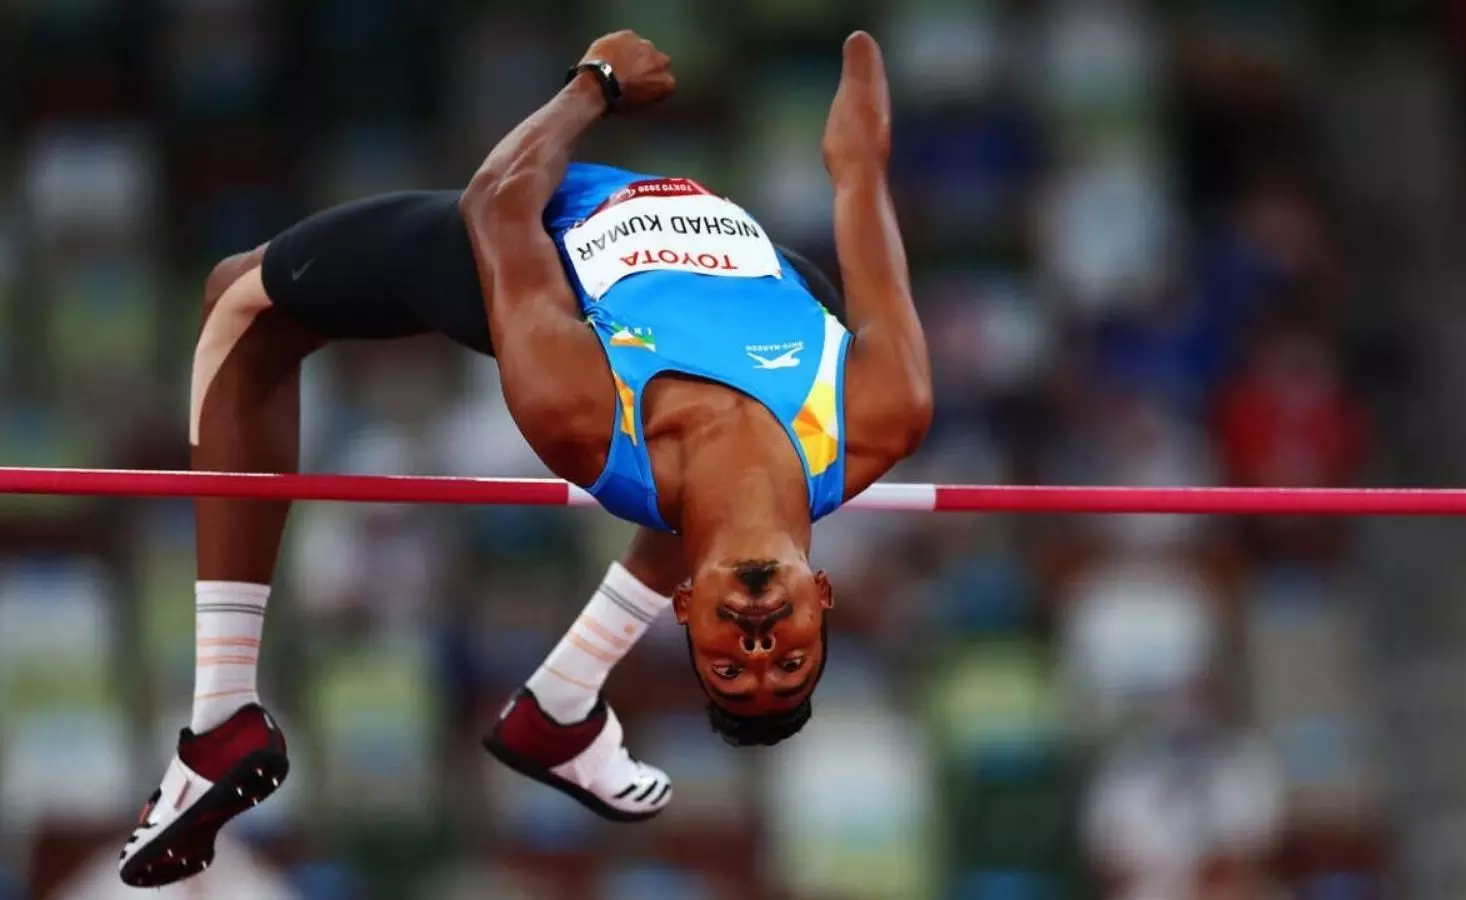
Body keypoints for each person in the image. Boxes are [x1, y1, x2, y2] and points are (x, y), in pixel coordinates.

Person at [119, 28, 930, 889]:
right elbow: (860, 179)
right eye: (788, 661)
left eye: (729, 665)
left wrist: (595, 84)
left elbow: (497, 204)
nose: (757, 644)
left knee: (238, 303)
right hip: (767, 277)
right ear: (821, 597)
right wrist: (857, 135)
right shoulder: (884, 412)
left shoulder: (581, 416)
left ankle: (223, 718)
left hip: (553, 243)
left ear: (687, 608)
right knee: (738, 486)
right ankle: (561, 704)